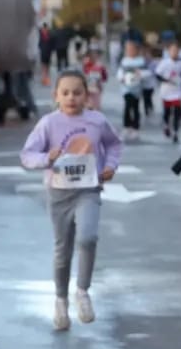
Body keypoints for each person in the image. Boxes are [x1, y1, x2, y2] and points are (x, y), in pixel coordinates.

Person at [20, 70, 122, 331]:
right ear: (56, 96)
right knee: (62, 250)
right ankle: (61, 299)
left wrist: (110, 166)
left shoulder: (96, 121)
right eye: (65, 93)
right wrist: (47, 159)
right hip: (59, 193)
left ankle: (82, 292)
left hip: (88, 189)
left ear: (87, 96)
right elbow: (27, 154)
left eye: (77, 93)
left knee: (88, 238)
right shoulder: (49, 123)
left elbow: (113, 144)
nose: (71, 98)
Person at [155, 41, 181, 143]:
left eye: (177, 51)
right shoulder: (164, 63)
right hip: (166, 91)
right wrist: (166, 80)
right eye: (173, 50)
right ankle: (166, 126)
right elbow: (157, 75)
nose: (175, 52)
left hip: (177, 92)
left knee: (177, 112)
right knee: (167, 112)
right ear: (169, 52)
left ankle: (175, 132)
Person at [117, 40, 147, 140]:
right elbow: (120, 71)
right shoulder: (124, 60)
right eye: (128, 49)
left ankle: (135, 127)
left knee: (135, 108)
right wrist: (121, 77)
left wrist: (140, 74)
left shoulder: (141, 61)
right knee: (127, 106)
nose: (130, 51)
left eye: (132, 49)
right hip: (126, 88)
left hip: (137, 89)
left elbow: (147, 72)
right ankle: (126, 126)